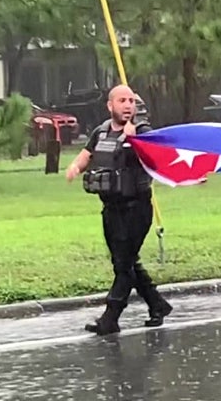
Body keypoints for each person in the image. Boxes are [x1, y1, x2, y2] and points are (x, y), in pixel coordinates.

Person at [65, 85, 172, 335]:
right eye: (122, 100)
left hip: (136, 208)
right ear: (110, 105)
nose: (128, 105)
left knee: (124, 265)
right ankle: (158, 305)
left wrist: (135, 139)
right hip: (110, 209)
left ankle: (110, 318)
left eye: (131, 101)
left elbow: (160, 157)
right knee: (124, 262)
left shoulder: (143, 131)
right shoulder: (101, 131)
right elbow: (87, 154)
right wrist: (74, 167)